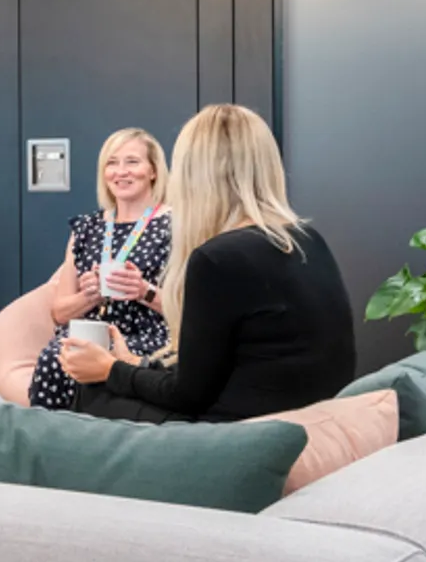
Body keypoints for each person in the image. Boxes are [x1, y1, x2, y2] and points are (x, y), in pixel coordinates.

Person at [58, 103, 354, 423]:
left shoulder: (216, 259)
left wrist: (111, 369)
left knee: (93, 396)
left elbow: (187, 395)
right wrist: (133, 365)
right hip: (307, 409)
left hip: (240, 427)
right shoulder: (306, 238)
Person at [28, 128, 173, 411]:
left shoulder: (175, 225)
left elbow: (191, 309)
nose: (121, 172)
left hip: (145, 336)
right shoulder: (87, 227)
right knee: (55, 357)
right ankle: (48, 448)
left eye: (132, 162)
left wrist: (143, 291)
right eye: (112, 162)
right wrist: (90, 296)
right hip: (88, 331)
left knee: (97, 364)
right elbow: (59, 313)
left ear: (153, 171)